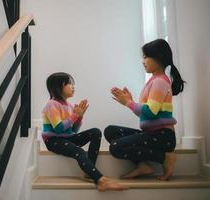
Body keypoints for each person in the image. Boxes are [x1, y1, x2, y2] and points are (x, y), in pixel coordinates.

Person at [104, 39, 185, 181]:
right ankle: (143, 165)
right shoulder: (155, 80)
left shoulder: (160, 82)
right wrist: (130, 102)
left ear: (158, 58)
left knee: (115, 147)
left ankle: (165, 158)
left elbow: (150, 112)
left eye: (146, 57)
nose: (143, 61)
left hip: (162, 137)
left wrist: (128, 103)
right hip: (152, 134)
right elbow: (145, 114)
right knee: (110, 131)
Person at [42, 72, 128, 191]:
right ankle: (101, 180)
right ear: (59, 87)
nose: (73, 87)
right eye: (69, 84)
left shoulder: (69, 105)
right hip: (54, 140)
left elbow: (73, 131)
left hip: (67, 138)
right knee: (80, 151)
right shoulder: (51, 105)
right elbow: (59, 129)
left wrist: (79, 117)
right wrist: (74, 116)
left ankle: (90, 170)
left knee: (96, 132)